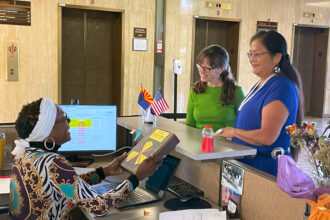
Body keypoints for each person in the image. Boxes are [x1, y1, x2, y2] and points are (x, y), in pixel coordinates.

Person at [9, 98, 163, 219]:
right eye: (65, 119)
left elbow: (68, 185)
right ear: (47, 130)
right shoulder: (53, 163)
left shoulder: (25, 154)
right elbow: (99, 207)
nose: (69, 123)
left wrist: (105, 172)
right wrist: (136, 177)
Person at [215, 30, 304, 176]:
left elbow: (267, 137)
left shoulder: (281, 87)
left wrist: (233, 132)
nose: (251, 59)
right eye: (249, 54)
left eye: (257, 54)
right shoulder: (261, 84)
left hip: (265, 167)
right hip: (247, 163)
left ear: (276, 57)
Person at [185, 45, 245, 132]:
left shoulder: (236, 91)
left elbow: (243, 126)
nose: (201, 71)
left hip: (226, 143)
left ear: (221, 69)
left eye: (206, 68)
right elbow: (189, 125)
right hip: (199, 142)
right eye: (200, 66)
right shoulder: (196, 90)